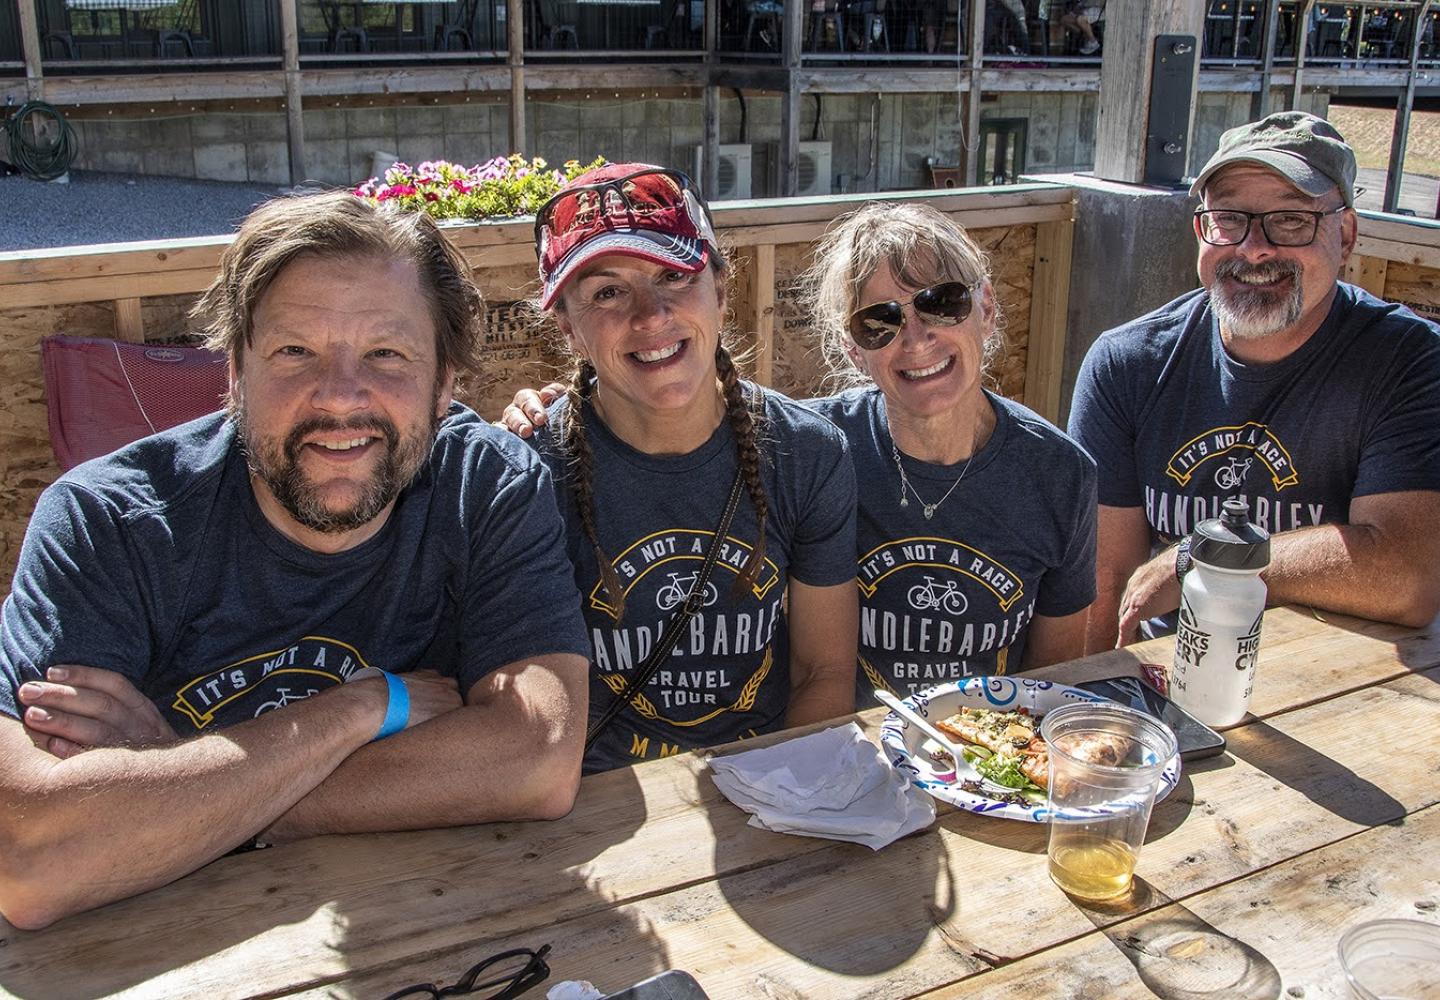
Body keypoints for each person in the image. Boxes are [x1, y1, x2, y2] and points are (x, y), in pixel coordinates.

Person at [0, 192, 592, 929]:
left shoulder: (489, 485)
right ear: (236, 376)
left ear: (445, 385)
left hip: (435, 927)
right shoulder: (107, 520)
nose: (340, 397)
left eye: (386, 353)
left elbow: (537, 759)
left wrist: (178, 776)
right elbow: (31, 856)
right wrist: (362, 709)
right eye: (294, 351)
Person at [507, 201, 1097, 708]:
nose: (917, 338)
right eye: (880, 321)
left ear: (988, 308)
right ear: (851, 345)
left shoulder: (1060, 475)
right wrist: (546, 416)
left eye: (943, 302)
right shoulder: (820, 449)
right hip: (848, 759)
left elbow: (1050, 684)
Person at [528, 163, 859, 772]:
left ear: (722, 290)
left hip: (769, 781)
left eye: (673, 276)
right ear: (568, 329)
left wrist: (780, 796)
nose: (650, 315)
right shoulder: (531, 475)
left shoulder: (808, 454)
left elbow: (824, 672)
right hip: (602, 806)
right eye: (607, 292)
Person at [1068, 111, 1440, 651]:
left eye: (1290, 220)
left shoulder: (1409, 362)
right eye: (1229, 218)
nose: (1254, 248)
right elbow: (1103, 586)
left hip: (1340, 687)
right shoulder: (1127, 362)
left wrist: (1206, 557)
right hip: (1167, 675)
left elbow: (1409, 579)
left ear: (1347, 234)